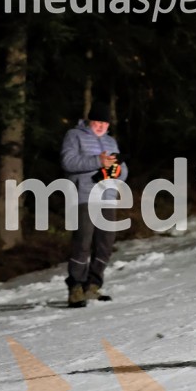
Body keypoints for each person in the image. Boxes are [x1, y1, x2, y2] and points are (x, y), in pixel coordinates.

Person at [60, 104, 128, 308]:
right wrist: (98, 161)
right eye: (97, 122)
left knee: (106, 243)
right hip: (83, 195)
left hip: (107, 195)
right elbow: (68, 162)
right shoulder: (74, 135)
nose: (100, 126)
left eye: (104, 123)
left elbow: (123, 170)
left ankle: (93, 285)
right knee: (83, 242)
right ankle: (76, 288)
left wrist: (115, 172)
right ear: (89, 121)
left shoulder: (110, 141)